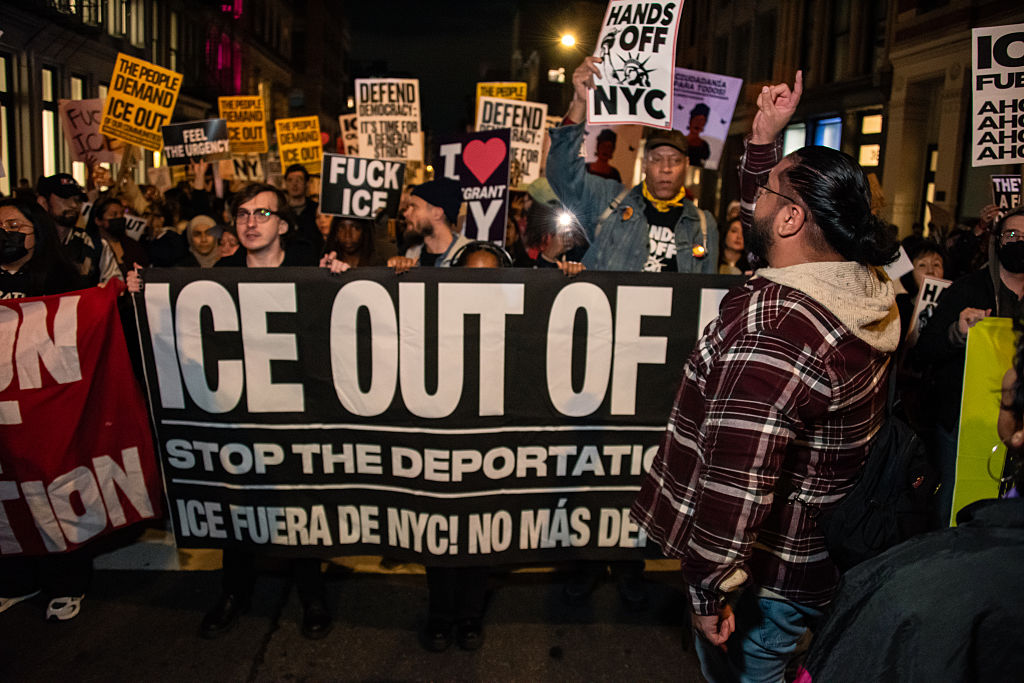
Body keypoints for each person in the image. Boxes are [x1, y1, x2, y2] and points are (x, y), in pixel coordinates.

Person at [631, 70, 902, 681]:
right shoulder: (858, 285)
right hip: (814, 556)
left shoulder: (778, 331)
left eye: (767, 193)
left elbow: (738, 477)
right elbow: (772, 238)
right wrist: (763, 142)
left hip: (767, 575)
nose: (753, 201)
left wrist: (707, 590)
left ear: (790, 219)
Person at [128, 183, 328, 639]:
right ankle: (233, 593)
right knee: (237, 505)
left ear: (282, 225)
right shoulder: (219, 272)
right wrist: (142, 293)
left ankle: (312, 595)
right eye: (242, 214)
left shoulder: (307, 269)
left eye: (262, 213)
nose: (251, 222)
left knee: (300, 506)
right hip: (236, 412)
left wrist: (337, 276)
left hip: (295, 413)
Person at [0, 198, 90, 620]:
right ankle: (18, 579)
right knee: (9, 498)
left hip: (48, 412)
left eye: (15, 224)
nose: (6, 232)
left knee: (53, 495)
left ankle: (66, 582)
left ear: (37, 230)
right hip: (4, 413)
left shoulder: (58, 279)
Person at [417, 240, 509, 653]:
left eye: (490, 277)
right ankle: (440, 613)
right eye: (471, 275)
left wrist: (568, 281)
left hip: (491, 447)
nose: (479, 287)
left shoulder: (518, 326)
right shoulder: (435, 319)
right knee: (439, 532)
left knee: (480, 533)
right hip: (443, 443)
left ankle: (470, 614)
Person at [547, 56, 718, 273]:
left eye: (674, 161)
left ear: (686, 164)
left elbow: (706, 294)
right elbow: (564, 175)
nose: (666, 168)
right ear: (645, 163)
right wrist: (579, 103)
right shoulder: (610, 201)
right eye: (657, 159)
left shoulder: (702, 226)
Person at [913, 204, 1024, 527]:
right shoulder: (968, 289)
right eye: (1012, 235)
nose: (1018, 242)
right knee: (956, 504)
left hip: (1019, 421)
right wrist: (957, 333)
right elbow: (923, 352)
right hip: (963, 421)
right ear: (997, 240)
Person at [36, 173, 120, 285]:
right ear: (43, 202)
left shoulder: (95, 245)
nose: (73, 205)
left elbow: (115, 284)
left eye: (77, 200)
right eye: (65, 198)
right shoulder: (30, 244)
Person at [387, 179, 472, 273]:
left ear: (437, 213)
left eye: (414, 207)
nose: (406, 213)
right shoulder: (411, 255)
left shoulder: (470, 256)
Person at [89, 196, 149, 278]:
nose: (119, 218)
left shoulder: (133, 246)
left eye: (122, 214)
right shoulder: (89, 247)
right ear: (98, 221)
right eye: (114, 215)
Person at [282, 163, 323, 254]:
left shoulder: (317, 210)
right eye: (290, 180)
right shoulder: (281, 212)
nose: (294, 184)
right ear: (285, 184)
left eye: (299, 180)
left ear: (307, 183)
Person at [685, 102, 712, 168]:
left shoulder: (704, 145)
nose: (698, 123)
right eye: (696, 120)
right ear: (691, 120)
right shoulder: (679, 141)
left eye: (702, 120)